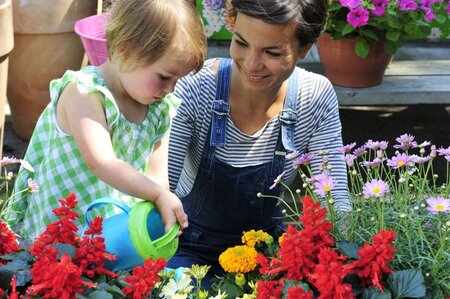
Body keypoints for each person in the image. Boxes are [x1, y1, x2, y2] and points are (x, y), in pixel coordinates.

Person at [168, 0, 351, 287]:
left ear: (306, 48)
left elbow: (335, 201)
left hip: (268, 255)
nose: (252, 64)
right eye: (241, 42)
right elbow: (159, 188)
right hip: (188, 249)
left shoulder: (314, 97)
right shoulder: (196, 87)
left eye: (272, 52)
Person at [6, 0, 207, 241]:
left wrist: (159, 206)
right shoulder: (84, 93)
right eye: (165, 77)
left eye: (177, 80)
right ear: (124, 50)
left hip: (115, 231)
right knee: (53, 275)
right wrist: (156, 194)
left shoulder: (158, 109)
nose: (171, 89)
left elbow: (157, 176)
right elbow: (102, 162)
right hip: (63, 228)